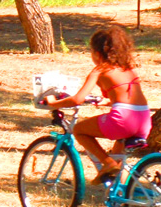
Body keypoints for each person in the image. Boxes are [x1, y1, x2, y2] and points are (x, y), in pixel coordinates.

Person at [45, 25, 151, 185]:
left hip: (123, 120)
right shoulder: (127, 69)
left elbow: (76, 100)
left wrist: (54, 103)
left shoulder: (100, 70)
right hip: (143, 120)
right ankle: (120, 206)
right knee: (119, 163)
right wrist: (107, 101)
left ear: (97, 53)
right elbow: (128, 98)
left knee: (79, 130)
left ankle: (106, 163)